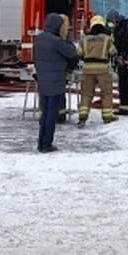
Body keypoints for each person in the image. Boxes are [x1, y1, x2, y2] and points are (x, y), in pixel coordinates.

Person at [33, 13, 80, 153]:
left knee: (45, 112)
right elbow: (72, 53)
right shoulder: (57, 42)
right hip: (56, 81)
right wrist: (67, 38)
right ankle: (47, 143)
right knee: (52, 114)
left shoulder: (39, 39)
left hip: (42, 80)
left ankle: (41, 142)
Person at [77, 14, 118, 126]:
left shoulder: (84, 39)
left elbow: (79, 53)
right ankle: (107, 116)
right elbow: (113, 52)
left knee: (86, 93)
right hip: (102, 69)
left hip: (87, 69)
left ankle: (82, 117)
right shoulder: (107, 39)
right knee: (106, 93)